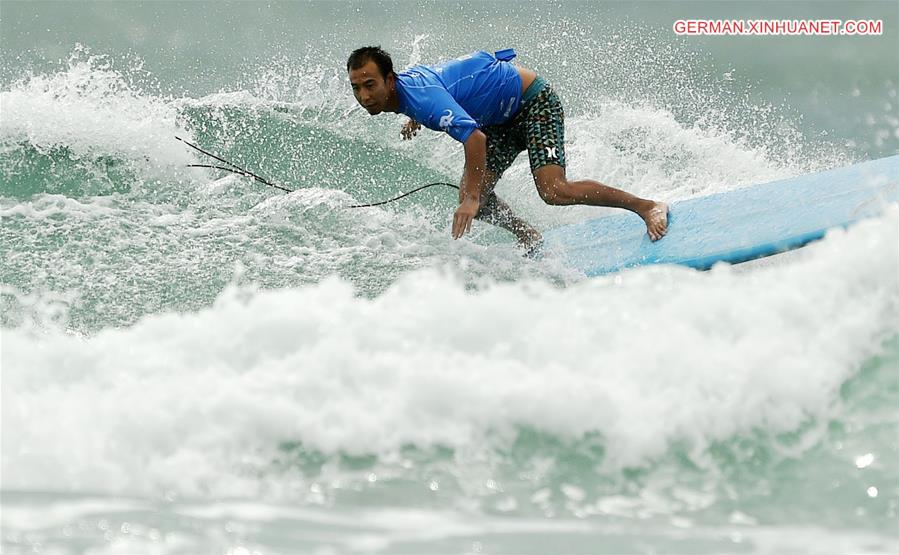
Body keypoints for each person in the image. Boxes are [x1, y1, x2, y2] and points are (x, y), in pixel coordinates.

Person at [346, 46, 669, 251]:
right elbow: (435, 82)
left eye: (370, 85)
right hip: (500, 118)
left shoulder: (424, 101)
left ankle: (647, 206)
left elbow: (474, 139)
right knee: (476, 199)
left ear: (390, 80)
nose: (363, 96)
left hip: (532, 103)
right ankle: (529, 235)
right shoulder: (407, 93)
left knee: (553, 190)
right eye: (356, 87)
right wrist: (415, 118)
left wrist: (472, 199)